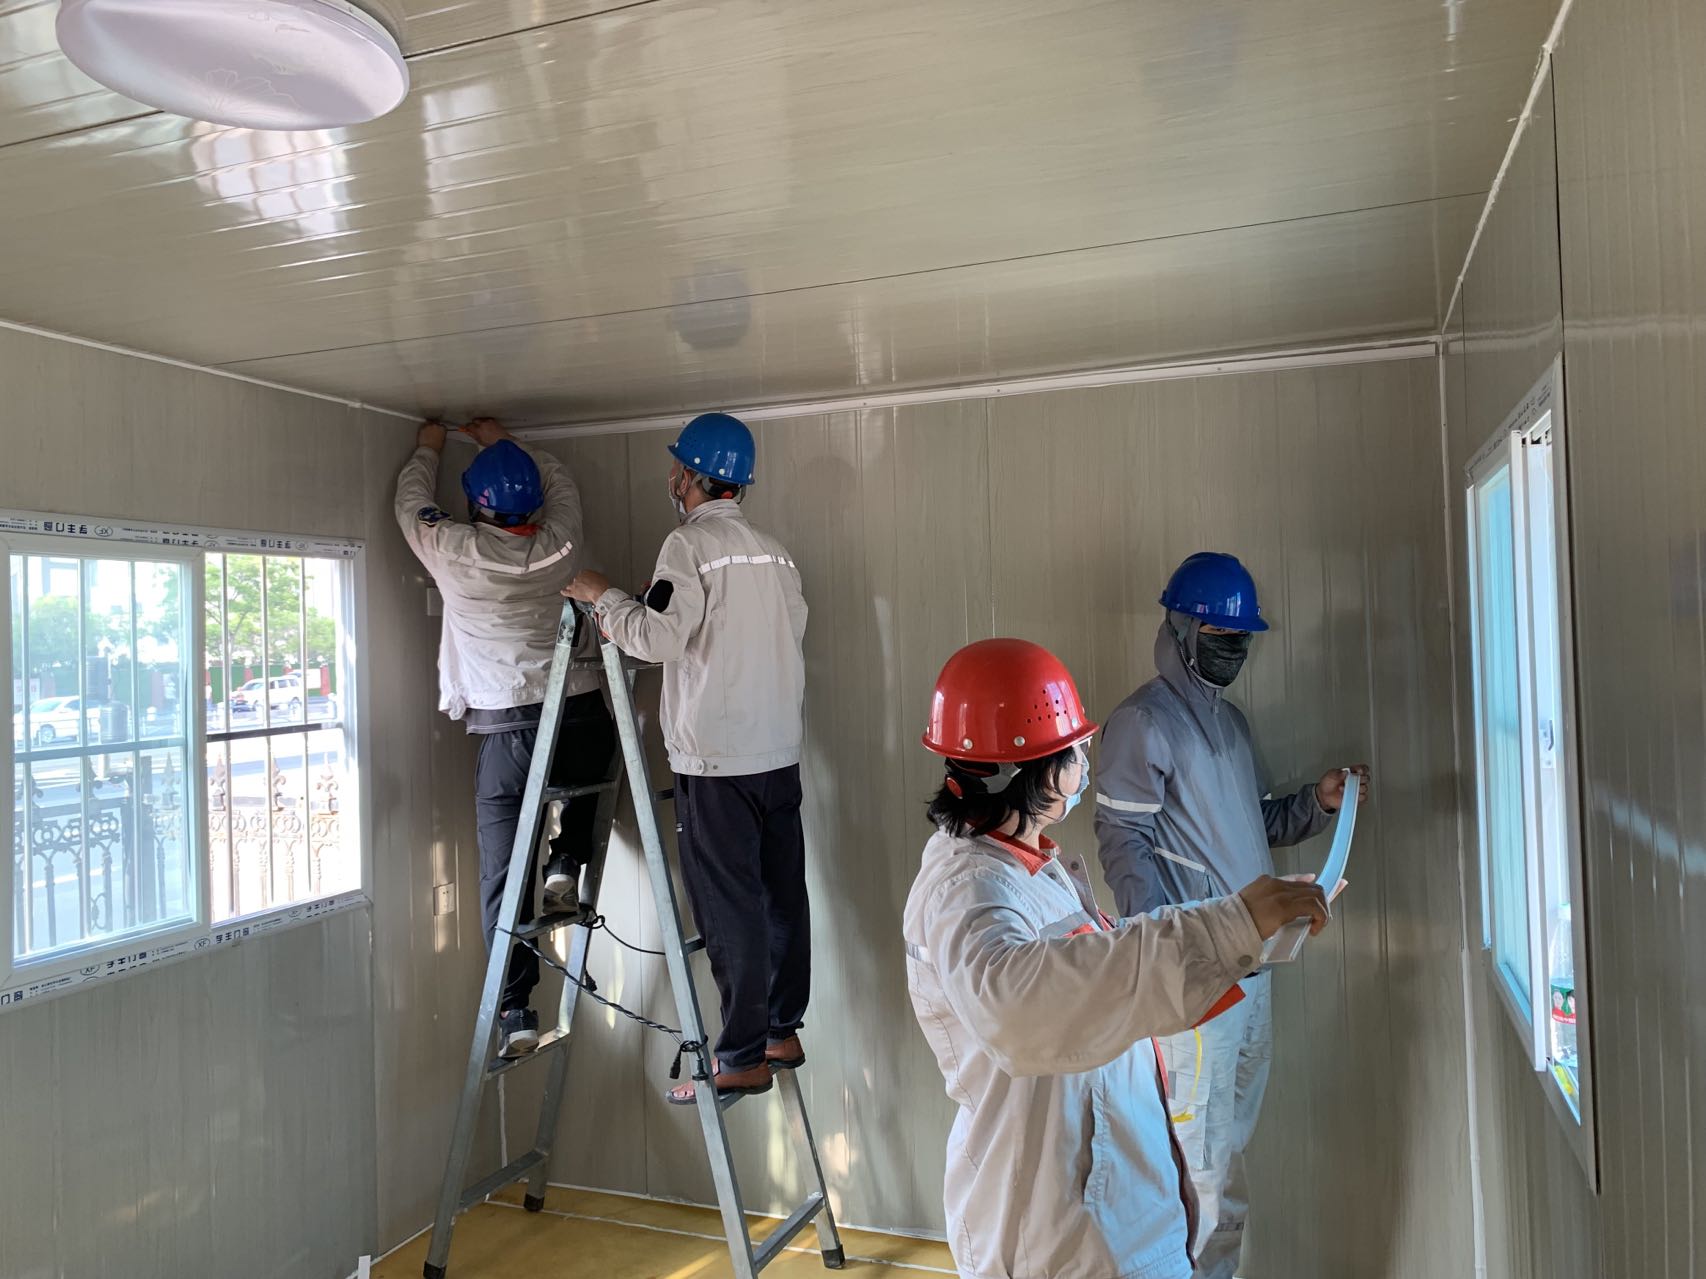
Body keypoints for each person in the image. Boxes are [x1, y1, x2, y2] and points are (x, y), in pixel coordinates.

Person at [904, 637, 1333, 1279]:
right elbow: (1025, 1002)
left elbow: (1098, 963)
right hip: (1053, 1234)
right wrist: (1228, 926)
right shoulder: (968, 890)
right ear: (1032, 770)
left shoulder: (1024, 865)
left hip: (1099, 1211)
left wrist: (1248, 929)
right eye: (1074, 751)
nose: (1086, 763)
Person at [1094, 551, 1368, 1279]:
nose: (1233, 650)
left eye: (1241, 638)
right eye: (1220, 636)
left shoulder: (1231, 725)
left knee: (1225, 1161)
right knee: (1198, 1171)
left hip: (1253, 968)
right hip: (1197, 986)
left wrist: (1320, 801)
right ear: (1181, 630)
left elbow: (1256, 823)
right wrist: (1163, 956)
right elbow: (1123, 842)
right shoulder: (1142, 722)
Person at [564, 412, 810, 1105]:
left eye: (676, 467)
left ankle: (741, 1056)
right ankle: (781, 1031)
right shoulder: (774, 552)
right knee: (780, 893)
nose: (671, 477)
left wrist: (602, 597)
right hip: (777, 750)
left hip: (717, 761)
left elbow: (657, 639)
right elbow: (788, 631)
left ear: (690, 477)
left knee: (728, 907)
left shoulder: (688, 546)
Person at [396, 417, 616, 1060]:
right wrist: (501, 441)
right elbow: (562, 481)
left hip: (511, 728)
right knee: (580, 796)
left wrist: (429, 447)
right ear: (534, 507)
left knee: (505, 869)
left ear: (475, 504)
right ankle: (566, 862)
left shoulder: (452, 549)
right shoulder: (561, 543)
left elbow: (411, 504)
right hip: (583, 715)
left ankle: (516, 1009)